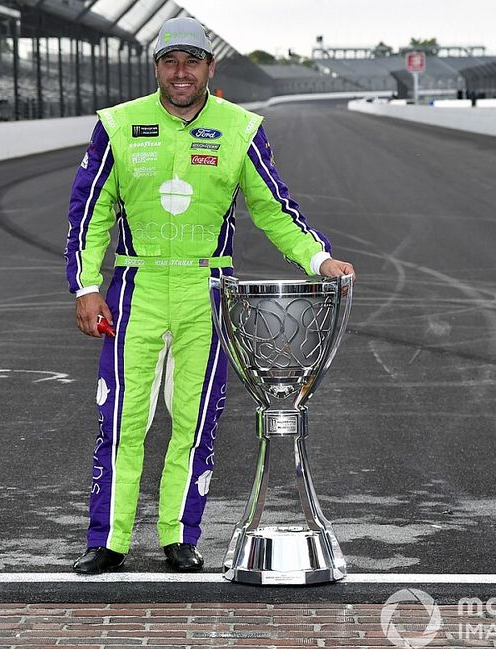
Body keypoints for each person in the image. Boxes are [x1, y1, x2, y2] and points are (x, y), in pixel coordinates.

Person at [63, 17, 355, 575]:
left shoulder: (240, 127)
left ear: (209, 67)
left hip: (208, 292)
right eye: (170, 61)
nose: (180, 72)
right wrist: (87, 286)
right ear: (156, 67)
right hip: (134, 290)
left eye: (191, 62)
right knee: (121, 422)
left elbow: (274, 208)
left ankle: (179, 536)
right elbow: (91, 212)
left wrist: (320, 258)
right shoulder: (117, 125)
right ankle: (109, 541)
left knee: (195, 423)